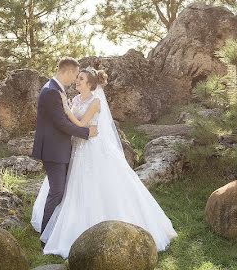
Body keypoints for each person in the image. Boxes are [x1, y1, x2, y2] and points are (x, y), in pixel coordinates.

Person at [31, 66, 177, 258]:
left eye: (81, 79)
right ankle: (64, 225)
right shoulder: (74, 99)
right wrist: (68, 109)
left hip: (92, 146)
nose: (77, 81)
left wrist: (67, 111)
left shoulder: (96, 101)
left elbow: (82, 124)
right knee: (71, 188)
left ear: (90, 84)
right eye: (78, 78)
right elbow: (72, 124)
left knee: (97, 185)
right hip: (76, 146)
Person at [30, 57, 98, 243]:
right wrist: (86, 132)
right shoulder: (51, 91)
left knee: (61, 191)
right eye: (76, 75)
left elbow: (64, 119)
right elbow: (61, 123)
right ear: (68, 72)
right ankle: (46, 236)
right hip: (53, 150)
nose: (75, 79)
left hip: (59, 148)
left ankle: (57, 229)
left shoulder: (55, 89)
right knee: (57, 192)